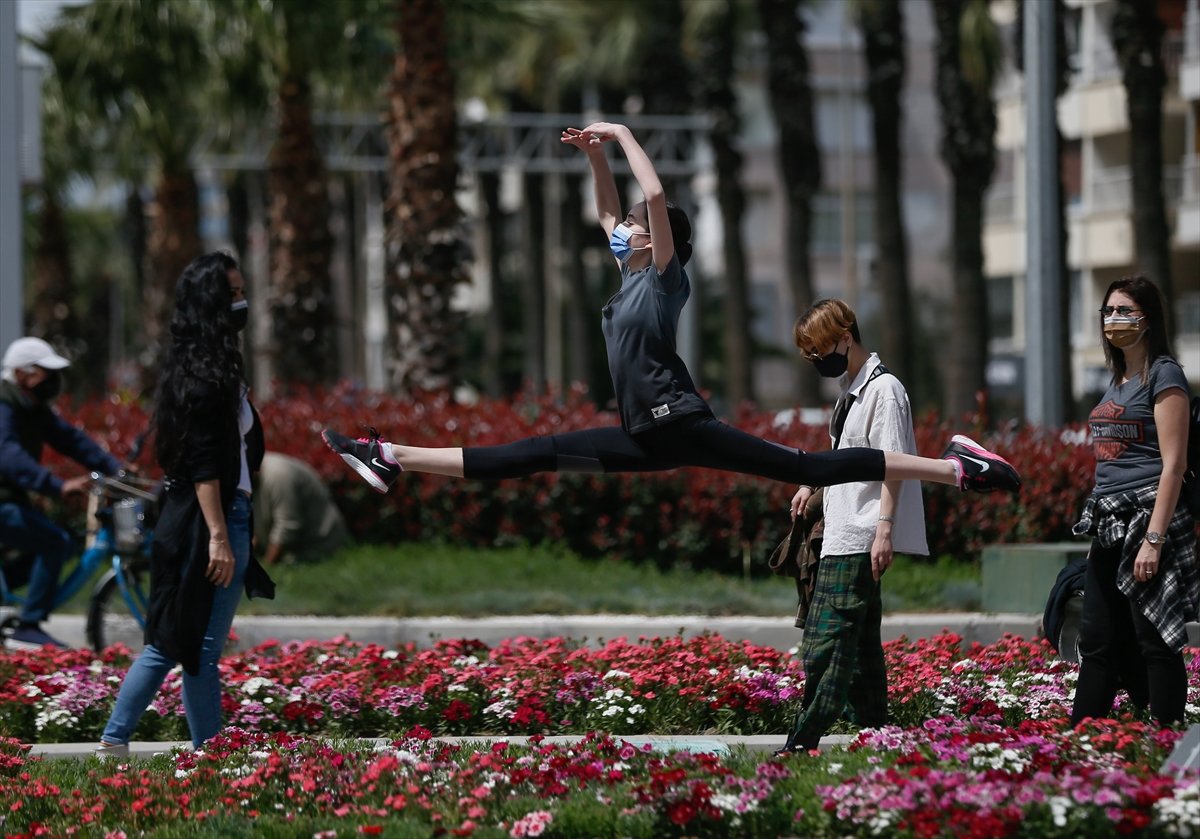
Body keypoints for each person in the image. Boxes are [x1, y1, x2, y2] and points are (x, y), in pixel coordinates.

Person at [321, 122, 1019, 504]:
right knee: (535, 455)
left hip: (681, 421)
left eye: (635, 224)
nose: (621, 228)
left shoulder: (662, 278)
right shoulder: (626, 277)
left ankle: (958, 468)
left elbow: (651, 194)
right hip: (642, 434)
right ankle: (391, 457)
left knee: (809, 469)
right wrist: (594, 158)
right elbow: (606, 209)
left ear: (658, 239)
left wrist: (621, 134)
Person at [96, 252, 274, 757]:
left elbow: (232, 457)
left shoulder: (210, 371)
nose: (242, 302)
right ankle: (171, 746)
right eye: (233, 294)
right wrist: (220, 534)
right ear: (212, 304)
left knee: (184, 641)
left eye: (242, 291)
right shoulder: (205, 380)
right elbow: (202, 466)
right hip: (206, 522)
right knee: (188, 644)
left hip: (219, 516)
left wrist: (239, 523)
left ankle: (175, 746)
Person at [775, 299, 928, 755]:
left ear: (845, 335)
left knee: (826, 647)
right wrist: (814, 487)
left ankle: (800, 746)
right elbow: (848, 461)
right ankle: (880, 742)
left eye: (820, 349)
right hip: (841, 535)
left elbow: (892, 465)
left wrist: (884, 530)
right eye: (810, 355)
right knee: (861, 654)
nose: (817, 360)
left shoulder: (885, 391)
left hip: (859, 537)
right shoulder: (852, 389)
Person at [1069, 275, 1197, 728]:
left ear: (1148, 319)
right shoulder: (1116, 380)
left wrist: (1154, 539)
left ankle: (1164, 741)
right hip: (1107, 522)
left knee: (1154, 639)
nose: (1114, 320)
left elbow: (1174, 465)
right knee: (1098, 639)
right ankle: (1081, 740)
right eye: (1108, 311)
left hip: (1147, 518)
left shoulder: (1164, 375)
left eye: (1125, 311)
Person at [0, 337, 123, 649]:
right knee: (53, 542)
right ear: (22, 374)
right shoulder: (4, 406)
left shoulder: (30, 407)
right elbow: (9, 455)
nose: (53, 381)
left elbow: (70, 440)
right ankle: (28, 626)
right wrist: (57, 485)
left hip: (8, 499)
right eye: (46, 372)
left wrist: (116, 469)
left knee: (62, 544)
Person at [253, 451, 350, 565]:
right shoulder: (251, 476)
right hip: (293, 546)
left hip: (319, 544)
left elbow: (288, 525)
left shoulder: (279, 474)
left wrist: (267, 565)